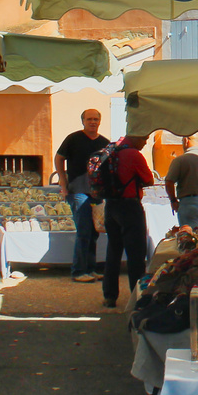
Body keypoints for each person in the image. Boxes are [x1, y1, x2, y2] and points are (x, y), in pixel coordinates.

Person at [53, 108, 108, 283]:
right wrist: (63, 181)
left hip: (96, 193)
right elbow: (59, 158)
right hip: (77, 192)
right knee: (84, 231)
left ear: (100, 121)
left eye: (95, 119)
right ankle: (78, 271)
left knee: (94, 232)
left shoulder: (104, 142)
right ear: (83, 121)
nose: (92, 122)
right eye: (89, 119)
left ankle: (90, 269)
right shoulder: (73, 139)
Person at [101, 134, 154, 311]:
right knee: (136, 254)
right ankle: (136, 297)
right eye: (144, 139)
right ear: (135, 137)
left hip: (111, 205)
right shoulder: (134, 155)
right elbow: (149, 180)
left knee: (113, 252)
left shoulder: (110, 152)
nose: (145, 142)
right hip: (130, 205)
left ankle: (109, 296)